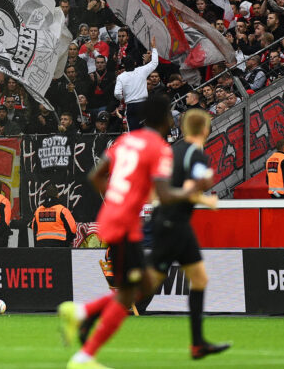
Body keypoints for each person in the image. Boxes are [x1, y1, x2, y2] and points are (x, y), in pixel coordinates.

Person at [57, 94, 216, 368]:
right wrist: (194, 189)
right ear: (167, 119)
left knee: (140, 286)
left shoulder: (125, 140)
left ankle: (83, 321)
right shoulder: (160, 149)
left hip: (118, 220)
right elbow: (165, 196)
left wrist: (118, 199)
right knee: (130, 293)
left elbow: (96, 175)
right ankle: (83, 345)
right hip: (122, 224)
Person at [145, 109, 230, 358]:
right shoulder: (196, 153)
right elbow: (199, 182)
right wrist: (205, 189)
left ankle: (197, 344)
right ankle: (91, 314)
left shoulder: (172, 151)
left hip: (173, 222)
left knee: (199, 278)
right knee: (146, 286)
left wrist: (199, 195)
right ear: (205, 129)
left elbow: (162, 187)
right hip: (173, 224)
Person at [112, 36, 159, 131]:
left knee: (134, 132)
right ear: (134, 63)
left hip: (130, 106)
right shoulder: (141, 70)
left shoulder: (121, 77)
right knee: (146, 129)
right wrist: (154, 48)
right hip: (143, 105)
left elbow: (116, 93)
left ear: (124, 65)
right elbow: (154, 62)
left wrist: (124, 98)